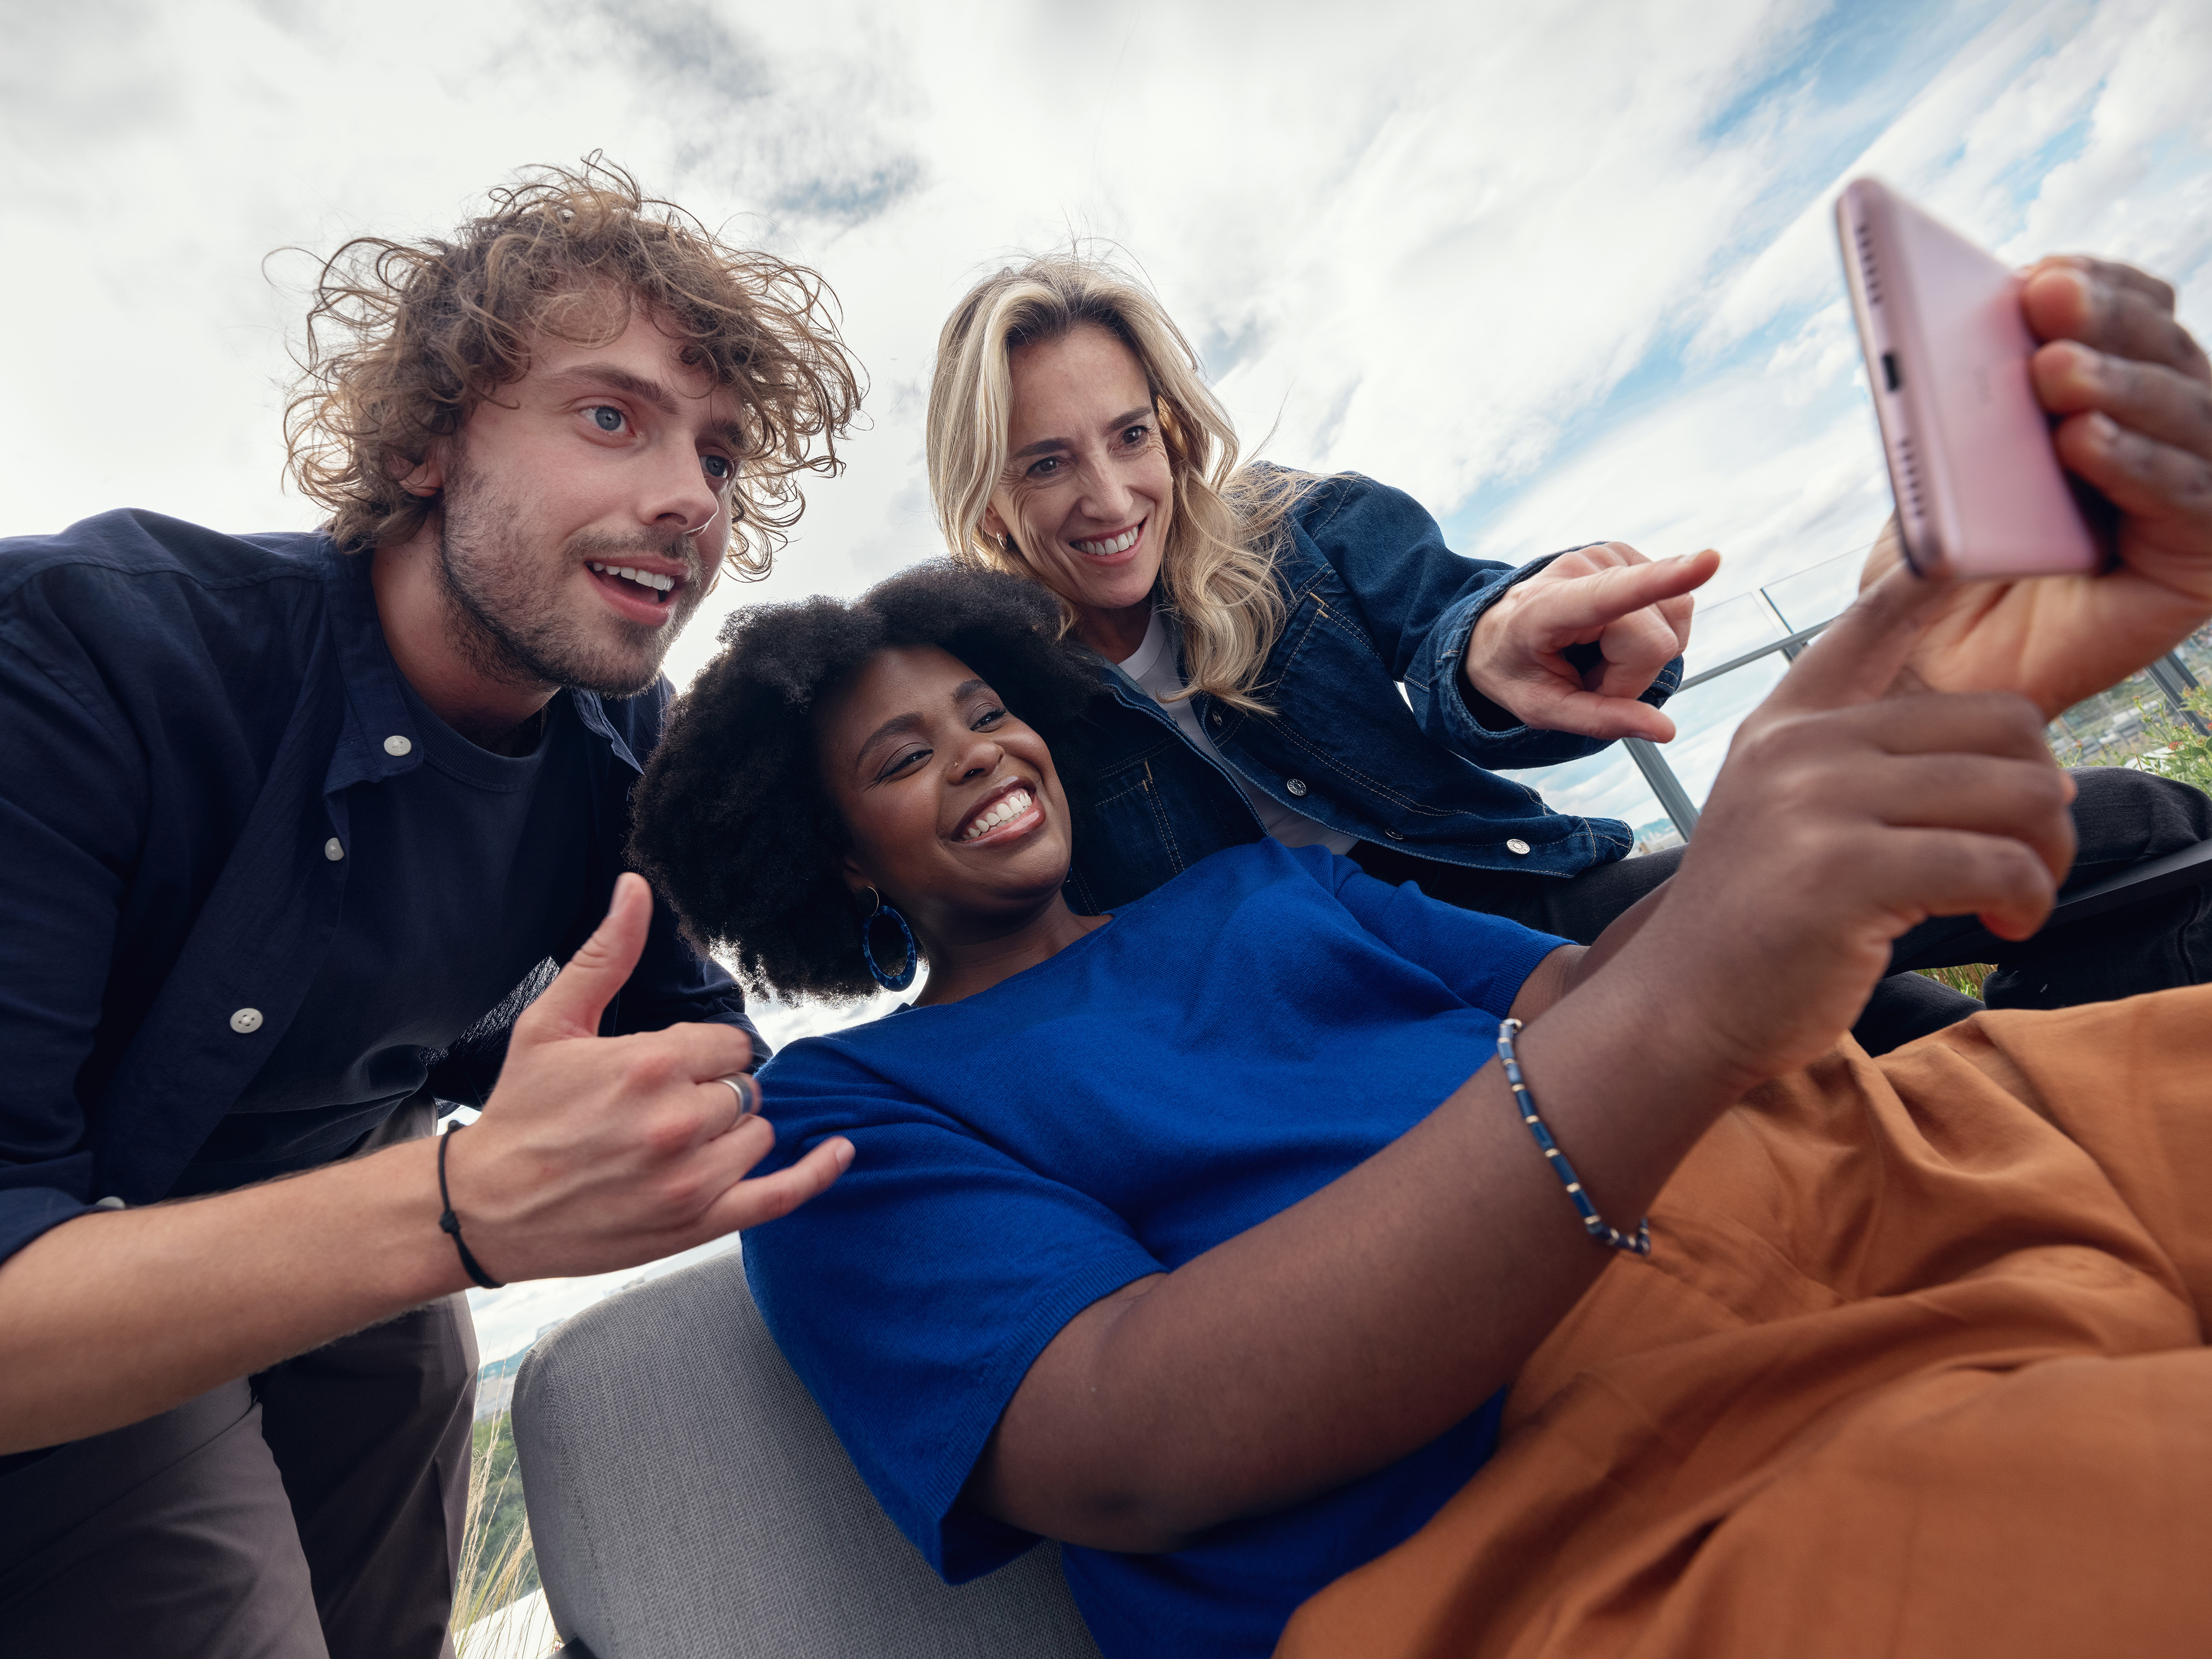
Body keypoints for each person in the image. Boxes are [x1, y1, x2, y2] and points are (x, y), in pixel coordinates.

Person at [628, 542, 2212, 1659]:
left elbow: (1578, 1006)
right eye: (906, 760)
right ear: (839, 861)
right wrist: (1682, 1001)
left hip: (1886, 1163)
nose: (985, 759)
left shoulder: (1267, 887)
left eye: (988, 714)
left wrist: (1787, 803)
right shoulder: (850, 1114)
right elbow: (1126, 1439)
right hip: (1594, 1512)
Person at [0, 161, 857, 1658]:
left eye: (718, 455)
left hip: (376, 1211)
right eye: (611, 416)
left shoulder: (626, 768)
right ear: (426, 442)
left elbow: (725, 1067)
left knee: (392, 1622)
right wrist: (468, 1207)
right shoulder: (90, 659)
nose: (687, 497)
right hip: (86, 1253)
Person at [922, 253, 2212, 1046]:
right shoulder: (993, 697)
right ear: (989, 497)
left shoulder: (1298, 529)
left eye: (1129, 436)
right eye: (1048, 462)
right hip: (1332, 1030)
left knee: (2125, 829)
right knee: (1911, 1044)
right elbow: (960, 912)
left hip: (1521, 899)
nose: (1108, 495)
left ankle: (2083, 1070)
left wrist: (1511, 646)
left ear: (1169, 430)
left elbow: (1456, 627)